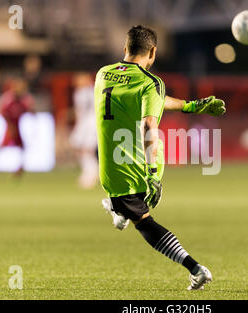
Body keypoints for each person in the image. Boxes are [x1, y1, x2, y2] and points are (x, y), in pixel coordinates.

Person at [95, 25, 226, 290]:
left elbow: (147, 100)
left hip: (110, 168)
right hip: (135, 169)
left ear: (125, 48)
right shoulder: (150, 82)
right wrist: (153, 173)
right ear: (153, 52)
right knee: (145, 224)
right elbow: (148, 124)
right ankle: (196, 268)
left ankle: (116, 206)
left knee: (129, 210)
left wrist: (190, 106)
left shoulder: (103, 74)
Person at [0, 77, 34, 177]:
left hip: (17, 127)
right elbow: (1, 111)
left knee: (22, 147)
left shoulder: (24, 99)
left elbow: (29, 110)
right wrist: (9, 126)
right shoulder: (8, 98)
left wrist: (32, 111)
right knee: (2, 147)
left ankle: (20, 169)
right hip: (10, 127)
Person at [69, 73, 98, 189]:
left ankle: (91, 173)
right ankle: (91, 171)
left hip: (88, 123)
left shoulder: (80, 93)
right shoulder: (94, 91)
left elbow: (80, 111)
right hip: (91, 122)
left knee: (86, 149)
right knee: (81, 148)